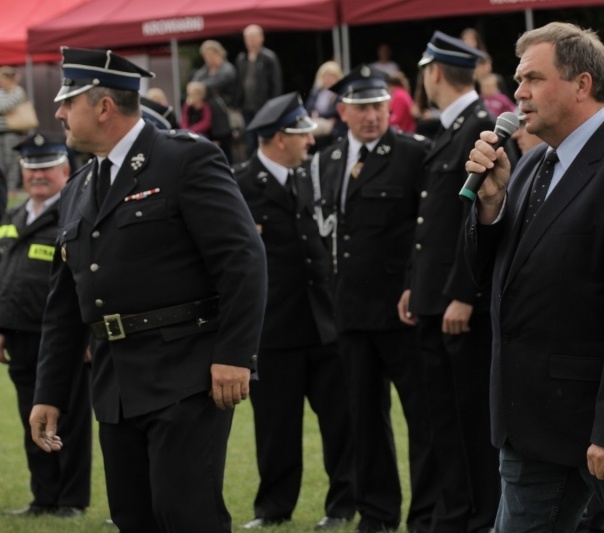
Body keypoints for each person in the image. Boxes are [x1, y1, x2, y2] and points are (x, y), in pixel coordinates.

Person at [29, 47, 267, 533]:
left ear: (103, 106)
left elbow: (242, 259)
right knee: (132, 516)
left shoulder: (185, 159)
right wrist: (49, 393)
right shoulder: (78, 187)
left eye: (67, 102)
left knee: (186, 514)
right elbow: (64, 303)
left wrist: (235, 355)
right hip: (116, 382)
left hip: (185, 371)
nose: (59, 114)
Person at [464, 22, 604, 532]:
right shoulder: (528, 166)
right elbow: (490, 278)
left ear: (581, 84)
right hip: (533, 422)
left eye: (533, 79)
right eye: (518, 81)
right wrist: (491, 207)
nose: (519, 93)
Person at [318, 65, 437, 533]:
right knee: (363, 420)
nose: (371, 116)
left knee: (422, 418)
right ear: (342, 111)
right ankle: (378, 512)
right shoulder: (329, 160)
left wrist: (415, 286)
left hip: (401, 311)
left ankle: (427, 514)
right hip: (349, 312)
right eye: (362, 107)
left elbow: (426, 230)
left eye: (378, 106)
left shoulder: (414, 153)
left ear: (390, 108)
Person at [234, 92, 355, 530]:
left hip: (323, 323)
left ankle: (342, 506)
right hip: (273, 328)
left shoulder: (310, 177)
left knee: (341, 423)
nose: (311, 141)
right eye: (302, 134)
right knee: (275, 427)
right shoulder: (239, 184)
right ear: (279, 138)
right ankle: (273, 509)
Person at [399, 31, 500, 533]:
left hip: (459, 307)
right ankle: (456, 513)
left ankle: (480, 517)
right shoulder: (453, 128)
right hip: (434, 299)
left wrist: (464, 293)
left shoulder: (479, 128)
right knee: (444, 417)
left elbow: (477, 220)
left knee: (470, 420)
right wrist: (414, 285)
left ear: (433, 72)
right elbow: (431, 223)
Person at [0, 131, 92, 519]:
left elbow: (87, 277)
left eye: (47, 168)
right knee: (31, 418)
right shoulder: (13, 216)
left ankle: (71, 500)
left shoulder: (75, 213)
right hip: (19, 335)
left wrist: (87, 334)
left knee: (69, 420)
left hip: (63, 339)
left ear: (65, 170)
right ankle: (44, 497)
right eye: (31, 168)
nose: (37, 176)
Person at [235, 24, 284, 157]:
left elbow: (276, 84)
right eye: (247, 38)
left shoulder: (269, 57)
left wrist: (273, 105)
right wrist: (238, 103)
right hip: (246, 106)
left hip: (264, 106)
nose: (250, 41)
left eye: (253, 38)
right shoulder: (242, 59)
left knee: (264, 137)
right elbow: (239, 83)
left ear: (261, 38)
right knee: (249, 139)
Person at [192, 40, 238, 162]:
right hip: (207, 117)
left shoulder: (227, 69)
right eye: (206, 56)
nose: (209, 58)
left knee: (225, 148)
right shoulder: (204, 71)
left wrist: (202, 88)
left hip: (223, 115)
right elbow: (195, 83)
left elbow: (210, 84)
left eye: (211, 55)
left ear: (219, 53)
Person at [0, 66, 27, 216]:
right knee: (1, 162)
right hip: (0, 133)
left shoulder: (18, 92)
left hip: (12, 133)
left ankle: (11, 189)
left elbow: (5, 106)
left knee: (11, 162)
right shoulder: (2, 92)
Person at [305, 61, 345, 153]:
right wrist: (314, 115)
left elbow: (337, 109)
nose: (328, 79)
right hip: (315, 121)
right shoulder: (316, 92)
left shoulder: (340, 92)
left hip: (332, 124)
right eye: (326, 76)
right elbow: (308, 108)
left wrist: (319, 115)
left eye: (331, 76)